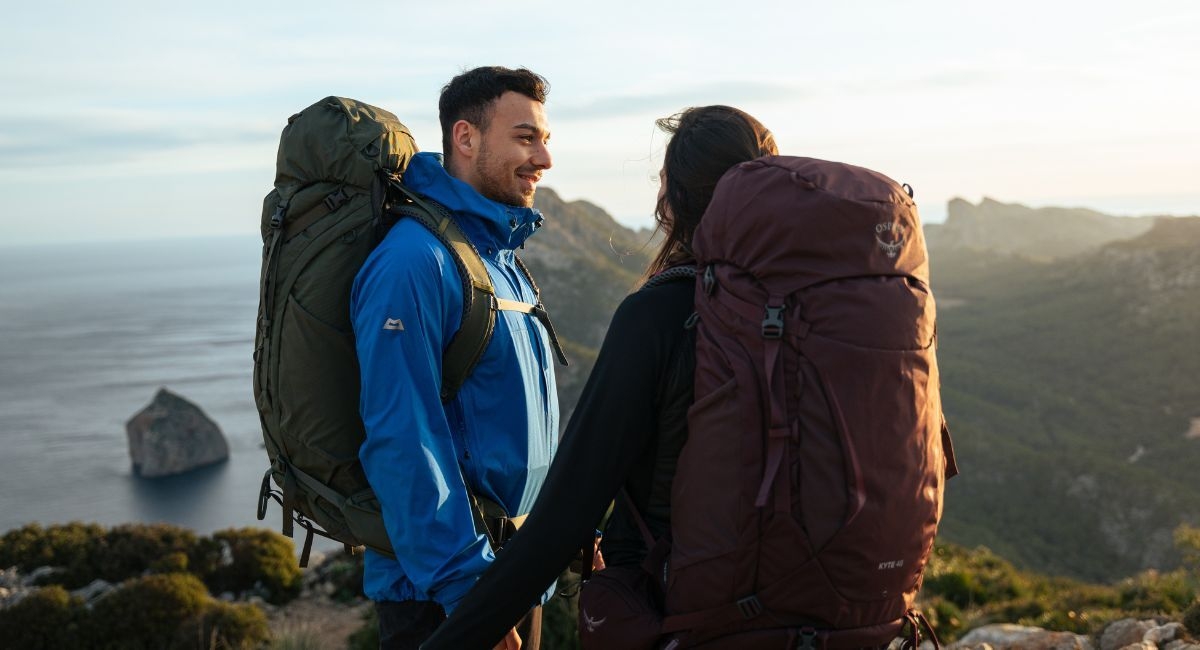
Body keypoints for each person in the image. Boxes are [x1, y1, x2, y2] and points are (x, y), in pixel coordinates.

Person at [420, 105, 779, 650]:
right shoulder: (816, 315)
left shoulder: (660, 315)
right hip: (805, 608)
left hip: (676, 612)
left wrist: (457, 637)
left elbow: (565, 512)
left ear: (674, 199)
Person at [351, 66, 561, 650]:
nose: (544, 158)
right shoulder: (414, 262)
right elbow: (401, 437)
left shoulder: (500, 259)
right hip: (444, 600)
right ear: (465, 139)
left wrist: (567, 525)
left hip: (511, 578)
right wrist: (469, 596)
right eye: (526, 137)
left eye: (545, 140)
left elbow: (518, 422)